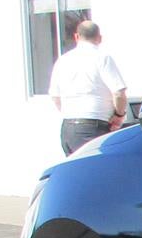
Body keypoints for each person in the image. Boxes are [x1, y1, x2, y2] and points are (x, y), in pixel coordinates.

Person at [49, 19, 128, 155]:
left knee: (75, 172)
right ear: (100, 38)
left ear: (77, 37)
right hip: (94, 126)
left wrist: (71, 112)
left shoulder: (63, 60)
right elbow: (118, 93)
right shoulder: (102, 58)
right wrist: (119, 115)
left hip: (68, 128)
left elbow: (55, 96)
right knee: (98, 172)